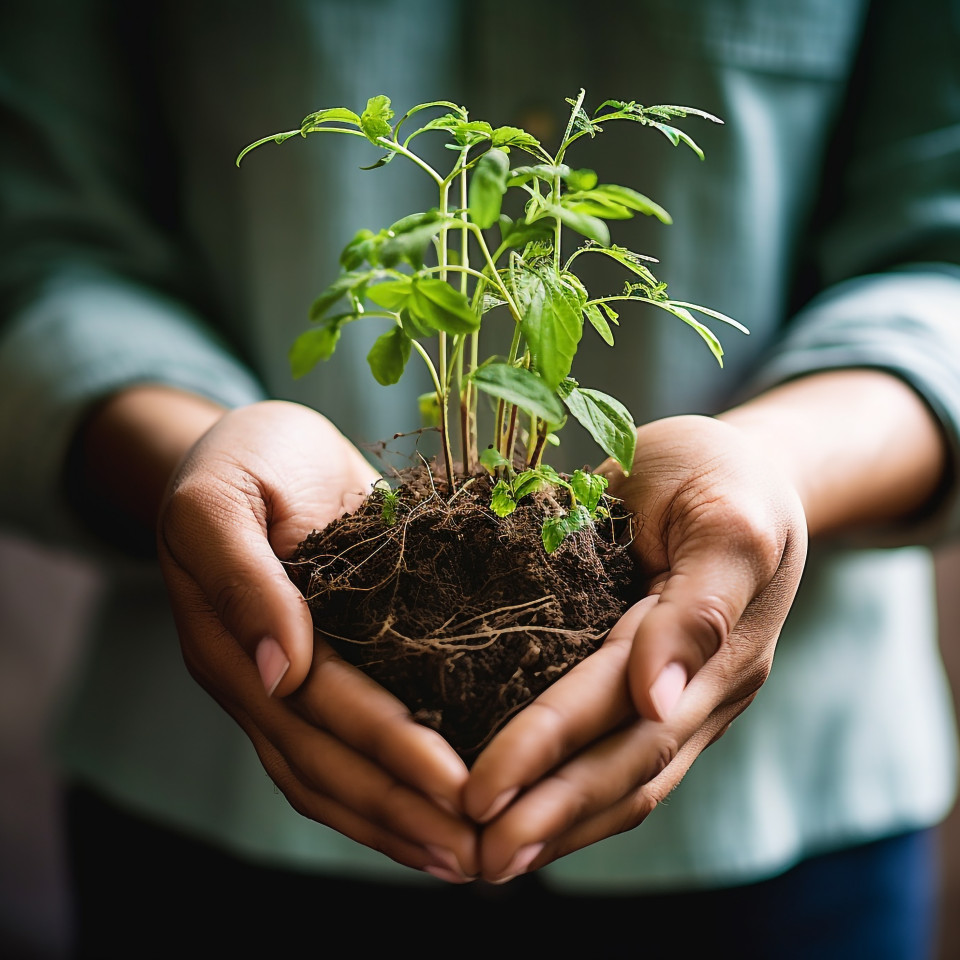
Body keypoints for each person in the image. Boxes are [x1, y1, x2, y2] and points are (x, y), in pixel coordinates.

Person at [2, 0, 959, 956]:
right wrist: (197, 460)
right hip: (213, 826)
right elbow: (37, 242)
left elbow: (939, 255)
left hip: (789, 829)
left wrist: (770, 475)